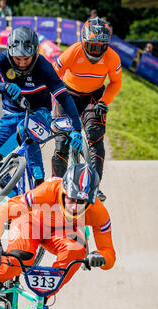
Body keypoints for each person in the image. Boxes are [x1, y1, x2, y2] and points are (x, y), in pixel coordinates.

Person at [0, 163, 116, 309]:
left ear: (91, 200)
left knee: (77, 252)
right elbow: (2, 210)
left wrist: (101, 257)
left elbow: (109, 253)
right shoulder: (49, 190)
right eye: (71, 198)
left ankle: (42, 301)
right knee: (21, 257)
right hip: (31, 222)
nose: (74, 206)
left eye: (81, 202)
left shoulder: (98, 212)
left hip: (62, 233)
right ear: (63, 190)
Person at [0, 26, 83, 187]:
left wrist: (76, 129)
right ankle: (12, 193)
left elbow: (64, 98)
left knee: (25, 127)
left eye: (26, 59)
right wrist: (4, 86)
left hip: (39, 114)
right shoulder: (2, 60)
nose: (21, 63)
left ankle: (38, 178)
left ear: (35, 54)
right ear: (9, 52)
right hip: (10, 116)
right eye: (17, 58)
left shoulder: (44, 67)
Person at [52, 17, 122, 201]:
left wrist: (104, 101)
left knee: (95, 138)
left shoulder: (113, 58)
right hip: (67, 96)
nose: (96, 51)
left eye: (101, 47)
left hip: (94, 98)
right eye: (92, 46)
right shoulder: (72, 52)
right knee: (61, 143)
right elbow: (52, 76)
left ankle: (95, 186)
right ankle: (55, 185)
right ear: (83, 41)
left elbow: (116, 83)